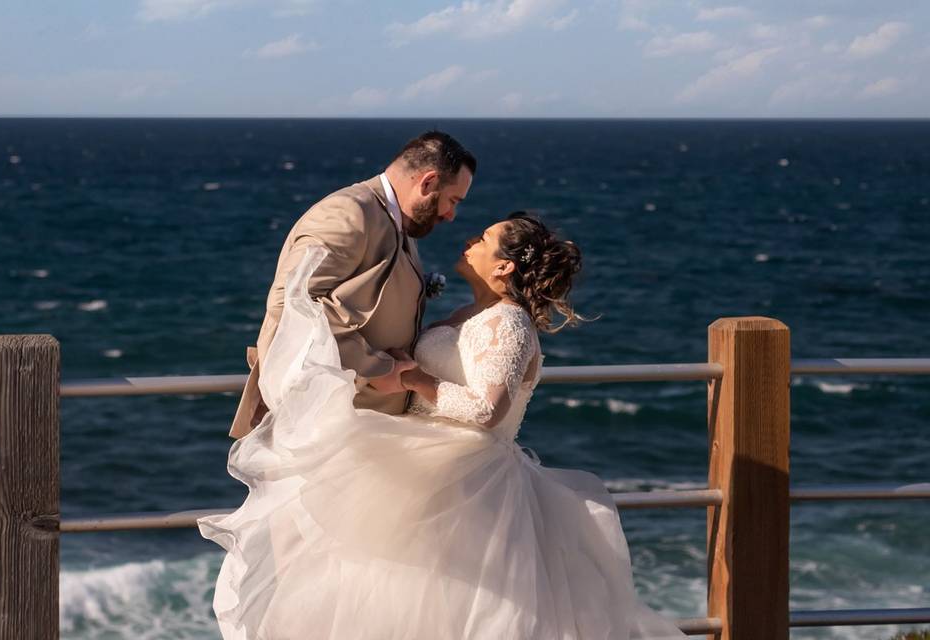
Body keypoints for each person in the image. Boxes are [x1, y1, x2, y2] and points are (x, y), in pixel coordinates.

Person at [198, 212, 688, 639]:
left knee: (448, 601)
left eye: (484, 238)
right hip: (421, 462)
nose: (470, 240)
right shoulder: (468, 313)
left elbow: (487, 410)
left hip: (469, 480)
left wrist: (417, 378)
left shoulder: (509, 324)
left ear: (504, 266)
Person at [228, 130, 476, 439]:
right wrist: (377, 369)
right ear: (427, 183)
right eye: (452, 200)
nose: (451, 215)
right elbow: (293, 305)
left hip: (366, 421)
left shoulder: (399, 221)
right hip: (332, 422)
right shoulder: (350, 212)